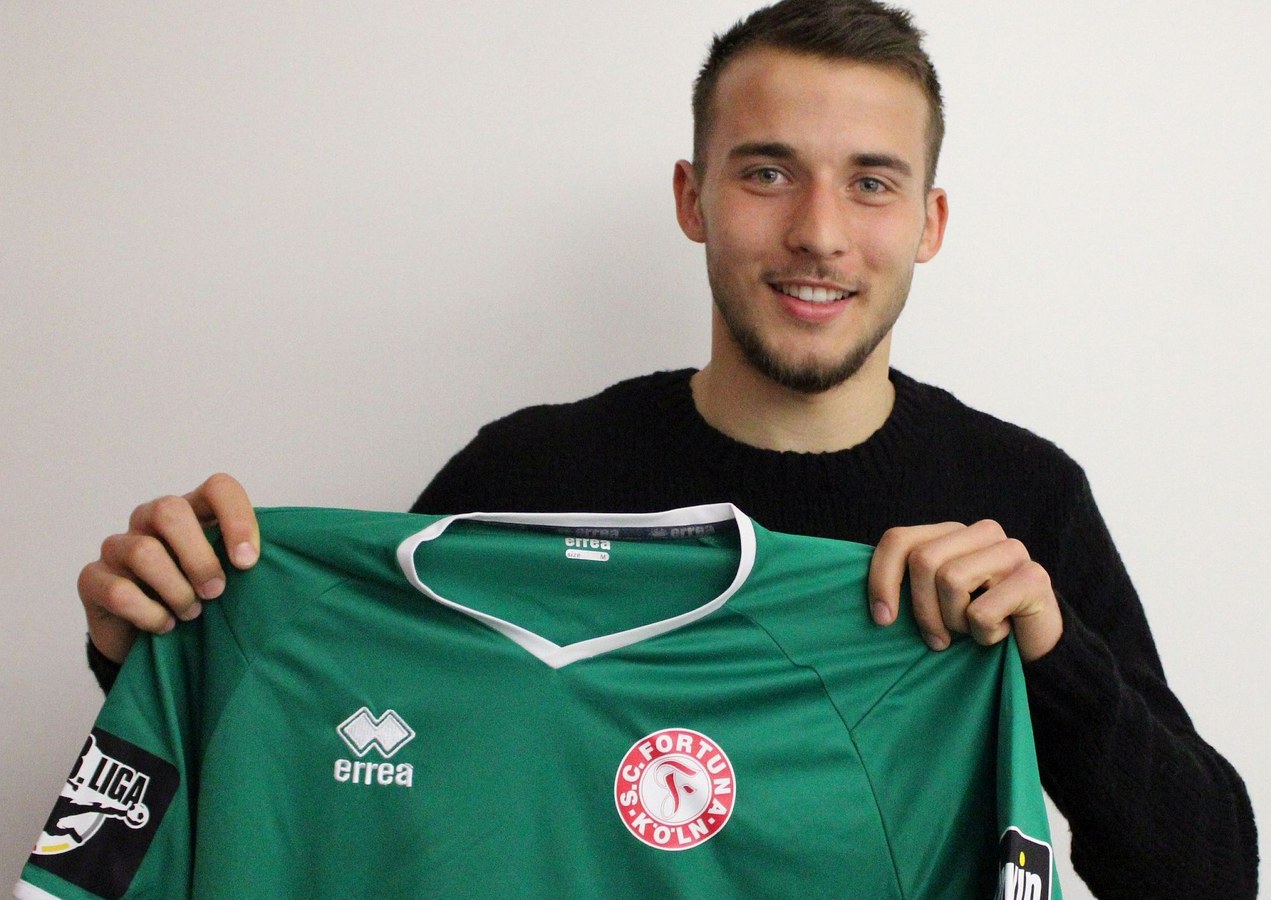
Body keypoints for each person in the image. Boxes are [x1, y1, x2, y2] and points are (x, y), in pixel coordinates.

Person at [74, 0, 1256, 896]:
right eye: (766, 173)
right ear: (692, 198)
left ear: (927, 223)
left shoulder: (1016, 497)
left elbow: (1208, 874)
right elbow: (367, 735)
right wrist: (168, 634)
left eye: (870, 183)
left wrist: (1051, 656)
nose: (818, 232)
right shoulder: (525, 476)